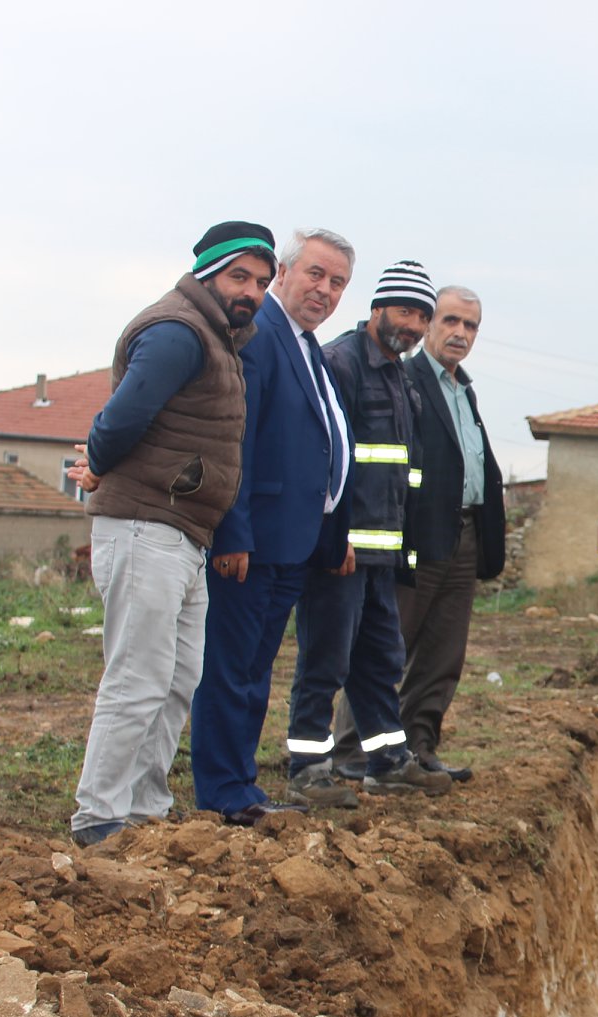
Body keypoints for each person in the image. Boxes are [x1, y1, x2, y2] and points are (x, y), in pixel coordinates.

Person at [66, 222, 277, 847]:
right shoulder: (179, 331)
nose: (253, 291)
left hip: (185, 532)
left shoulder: (220, 340)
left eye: (263, 281)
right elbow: (123, 414)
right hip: (144, 523)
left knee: (180, 675)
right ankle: (99, 817)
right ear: (209, 273)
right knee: (138, 675)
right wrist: (100, 461)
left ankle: (143, 810)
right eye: (240, 276)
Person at [191, 227, 356, 827]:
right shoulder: (260, 341)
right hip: (253, 540)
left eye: (338, 282)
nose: (325, 290)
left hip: (294, 541)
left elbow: (325, 445)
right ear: (283, 274)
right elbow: (237, 442)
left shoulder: (310, 349)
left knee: (256, 670)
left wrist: (334, 535)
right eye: (315, 274)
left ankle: (240, 783)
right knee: (232, 670)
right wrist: (233, 532)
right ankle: (222, 790)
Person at [282, 262, 451, 806]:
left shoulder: (399, 374)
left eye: (423, 317)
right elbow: (325, 458)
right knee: (326, 658)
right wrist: (335, 539)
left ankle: (386, 759)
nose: (414, 325)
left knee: (380, 659)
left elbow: (401, 470)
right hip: (342, 551)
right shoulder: (341, 363)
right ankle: (308, 765)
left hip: (383, 553)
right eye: (405, 311)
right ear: (377, 308)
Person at [336, 286, 504, 782]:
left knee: (442, 654)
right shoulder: (404, 378)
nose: (460, 333)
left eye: (470, 325)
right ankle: (351, 752)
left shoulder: (463, 388)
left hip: (464, 534)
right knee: (386, 648)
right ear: (429, 325)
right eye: (450, 320)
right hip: (415, 535)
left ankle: (419, 748)